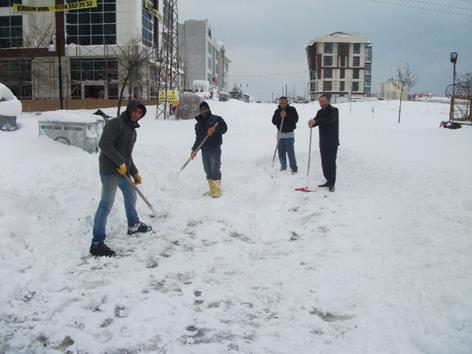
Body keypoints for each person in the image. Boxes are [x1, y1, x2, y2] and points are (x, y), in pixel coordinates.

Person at [90, 101, 152, 257]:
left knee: (131, 195)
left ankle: (133, 224)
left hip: (122, 170)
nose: (137, 114)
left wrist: (134, 172)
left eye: (140, 113)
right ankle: (97, 243)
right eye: (135, 111)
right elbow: (104, 144)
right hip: (109, 170)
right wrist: (120, 162)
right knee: (106, 204)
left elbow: (127, 155)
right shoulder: (116, 123)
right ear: (130, 109)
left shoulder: (133, 131)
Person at [190, 101, 228, 198]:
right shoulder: (198, 125)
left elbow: (224, 129)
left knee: (215, 168)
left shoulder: (216, 119)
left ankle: (217, 190)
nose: (203, 111)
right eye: (201, 109)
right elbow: (198, 139)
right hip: (204, 150)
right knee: (207, 169)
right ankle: (212, 189)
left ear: (209, 109)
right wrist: (194, 150)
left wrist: (215, 129)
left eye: (205, 108)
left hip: (214, 148)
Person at [308, 94, 339, 193]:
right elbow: (316, 122)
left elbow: (329, 120)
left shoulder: (334, 111)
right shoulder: (320, 112)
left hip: (332, 142)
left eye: (324, 101)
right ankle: (327, 180)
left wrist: (316, 121)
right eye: (320, 102)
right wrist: (311, 123)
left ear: (328, 101)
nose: (322, 103)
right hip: (323, 142)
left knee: (331, 163)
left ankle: (332, 183)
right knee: (324, 163)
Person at [272, 96, 299, 174]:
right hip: (280, 134)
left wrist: (286, 116)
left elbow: (295, 119)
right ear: (279, 103)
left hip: (289, 135)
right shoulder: (277, 111)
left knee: (290, 152)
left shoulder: (292, 109)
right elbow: (274, 121)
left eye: (284, 103)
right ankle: (283, 166)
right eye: (281, 103)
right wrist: (280, 116)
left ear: (287, 102)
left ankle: (294, 168)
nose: (282, 104)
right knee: (281, 152)